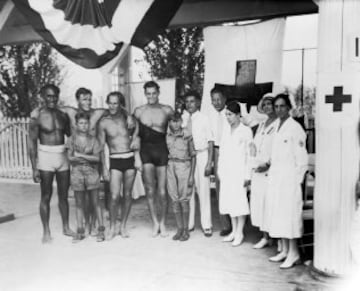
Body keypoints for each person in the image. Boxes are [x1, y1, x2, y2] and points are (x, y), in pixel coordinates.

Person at [266, 94, 308, 269]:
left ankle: (294, 253)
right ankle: (284, 251)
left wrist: (295, 181)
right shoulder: (276, 126)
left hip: (290, 180)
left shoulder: (295, 128)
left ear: (288, 107)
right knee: (279, 215)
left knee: (289, 217)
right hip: (277, 178)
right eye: (276, 106)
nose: (278, 109)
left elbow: (302, 160)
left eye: (282, 106)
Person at [28, 84, 75, 243]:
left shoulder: (63, 115)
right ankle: (46, 232)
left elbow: (70, 134)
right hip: (46, 158)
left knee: (64, 196)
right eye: (48, 96)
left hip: (62, 157)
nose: (52, 99)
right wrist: (34, 168)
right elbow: (32, 143)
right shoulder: (37, 116)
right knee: (46, 196)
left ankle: (66, 227)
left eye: (54, 96)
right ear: (42, 97)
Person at [98, 92, 141, 240]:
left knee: (127, 195)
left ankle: (123, 226)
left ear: (120, 104)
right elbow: (100, 148)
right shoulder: (104, 122)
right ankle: (112, 227)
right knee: (114, 196)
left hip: (129, 158)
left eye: (115, 103)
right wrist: (104, 168)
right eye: (110, 103)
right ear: (107, 103)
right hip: (114, 160)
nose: (112, 106)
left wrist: (135, 137)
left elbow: (137, 127)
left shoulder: (127, 118)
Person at [133, 81, 174, 237]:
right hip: (146, 151)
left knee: (163, 192)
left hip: (162, 150)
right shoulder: (139, 111)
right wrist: (136, 157)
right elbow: (134, 136)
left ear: (158, 92)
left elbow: (177, 130)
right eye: (148, 93)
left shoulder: (167, 110)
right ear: (145, 94)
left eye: (153, 93)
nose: (151, 96)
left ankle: (163, 223)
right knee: (150, 190)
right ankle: (155, 223)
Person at [66, 112, 105, 242]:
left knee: (96, 202)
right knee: (79, 203)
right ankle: (80, 231)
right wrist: (85, 158)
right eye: (81, 123)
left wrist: (80, 156)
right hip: (77, 172)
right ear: (76, 125)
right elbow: (70, 158)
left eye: (86, 123)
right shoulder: (71, 139)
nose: (84, 126)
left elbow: (97, 158)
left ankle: (100, 230)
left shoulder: (94, 140)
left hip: (92, 172)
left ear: (89, 125)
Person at [218, 101, 252, 246]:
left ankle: (240, 232)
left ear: (238, 115)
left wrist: (247, 175)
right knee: (229, 202)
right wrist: (220, 170)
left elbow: (250, 155)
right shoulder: (226, 130)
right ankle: (233, 231)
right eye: (226, 115)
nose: (228, 118)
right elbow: (222, 152)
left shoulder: (246, 131)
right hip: (227, 172)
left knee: (239, 203)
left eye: (230, 115)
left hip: (240, 172)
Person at [184, 91, 214, 237]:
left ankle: (206, 224)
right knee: (189, 191)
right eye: (187, 101)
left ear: (198, 103)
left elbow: (210, 141)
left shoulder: (204, 119)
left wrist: (209, 163)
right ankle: (189, 224)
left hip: (201, 155)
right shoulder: (183, 119)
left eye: (192, 101)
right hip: (188, 158)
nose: (189, 104)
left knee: (203, 191)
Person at [250, 93, 277, 249]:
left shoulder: (280, 124)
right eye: (265, 104)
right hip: (258, 169)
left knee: (271, 204)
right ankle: (264, 236)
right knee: (259, 203)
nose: (268, 107)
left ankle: (275, 237)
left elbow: (278, 149)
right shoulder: (262, 124)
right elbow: (255, 144)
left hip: (270, 170)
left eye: (270, 104)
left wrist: (268, 164)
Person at [166, 112, 196, 241]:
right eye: (173, 121)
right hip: (171, 165)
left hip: (184, 165)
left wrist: (191, 176)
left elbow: (193, 155)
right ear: (169, 123)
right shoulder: (167, 136)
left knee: (184, 199)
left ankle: (185, 230)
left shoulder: (187, 135)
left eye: (178, 121)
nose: (176, 124)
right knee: (174, 198)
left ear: (181, 121)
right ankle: (179, 228)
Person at [208, 87, 232, 236]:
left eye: (219, 99)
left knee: (232, 187)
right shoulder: (210, 116)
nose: (216, 103)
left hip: (230, 152)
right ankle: (226, 225)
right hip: (216, 151)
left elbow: (249, 124)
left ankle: (236, 223)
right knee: (219, 187)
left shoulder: (231, 113)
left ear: (224, 99)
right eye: (213, 100)